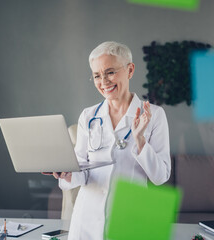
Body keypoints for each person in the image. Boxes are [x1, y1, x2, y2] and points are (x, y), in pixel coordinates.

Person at [49, 41, 170, 240]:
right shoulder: (88, 116)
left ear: (130, 70)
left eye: (110, 72)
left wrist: (139, 140)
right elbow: (81, 172)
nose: (103, 81)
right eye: (97, 75)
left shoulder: (155, 116)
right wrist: (65, 173)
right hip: (87, 220)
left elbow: (160, 176)